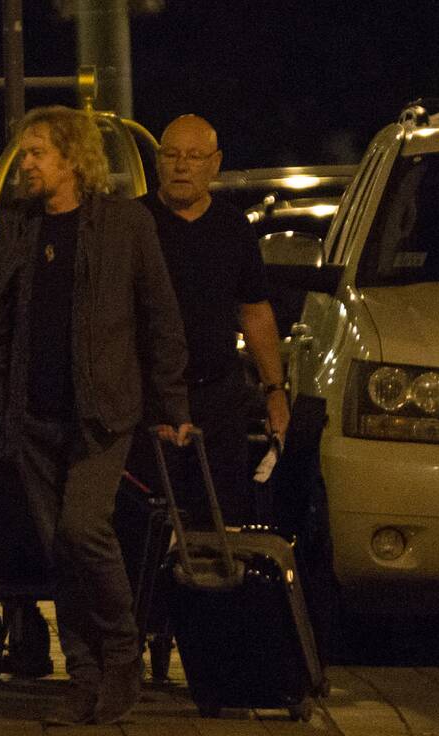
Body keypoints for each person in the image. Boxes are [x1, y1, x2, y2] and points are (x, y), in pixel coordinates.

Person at [0, 106, 192, 726]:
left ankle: (122, 656)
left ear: (72, 159)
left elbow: (160, 315)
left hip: (101, 411)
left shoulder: (125, 224)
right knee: (60, 550)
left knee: (82, 530)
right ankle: (84, 675)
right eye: (24, 154)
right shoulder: (22, 225)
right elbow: (0, 315)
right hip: (33, 416)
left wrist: (171, 404)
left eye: (37, 153)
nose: (26, 164)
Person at [139, 114, 290, 525]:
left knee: (222, 515)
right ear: (157, 161)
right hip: (149, 399)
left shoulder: (232, 227)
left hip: (218, 396)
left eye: (193, 156)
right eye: (171, 155)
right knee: (151, 521)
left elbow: (254, 310)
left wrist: (274, 391)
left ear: (215, 163)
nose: (181, 166)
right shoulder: (135, 224)